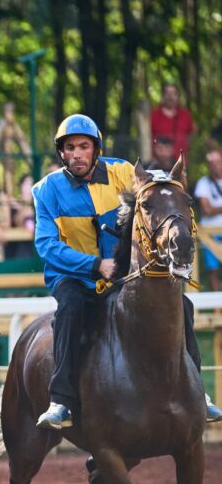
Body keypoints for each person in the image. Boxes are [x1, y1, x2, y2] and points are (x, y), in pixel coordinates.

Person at [33, 114, 222, 429]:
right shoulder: (46, 190)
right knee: (70, 308)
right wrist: (95, 265)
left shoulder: (123, 171)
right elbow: (47, 246)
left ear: (95, 149)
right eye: (70, 147)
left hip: (123, 277)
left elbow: (157, 187)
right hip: (74, 279)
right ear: (62, 153)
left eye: (83, 146)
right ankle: (61, 399)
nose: (77, 153)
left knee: (182, 306)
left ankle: (197, 394)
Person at [194, 145, 222, 291]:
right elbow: (207, 209)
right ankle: (219, 309)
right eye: (211, 163)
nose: (215, 166)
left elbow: (211, 208)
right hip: (209, 234)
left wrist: (214, 209)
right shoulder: (203, 183)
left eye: (218, 162)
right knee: (213, 270)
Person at [151, 83, 195, 162]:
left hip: (180, 162)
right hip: (158, 163)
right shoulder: (153, 115)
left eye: (173, 93)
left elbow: (190, 138)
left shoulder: (186, 115)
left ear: (178, 96)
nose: (170, 97)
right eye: (168, 93)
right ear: (163, 96)